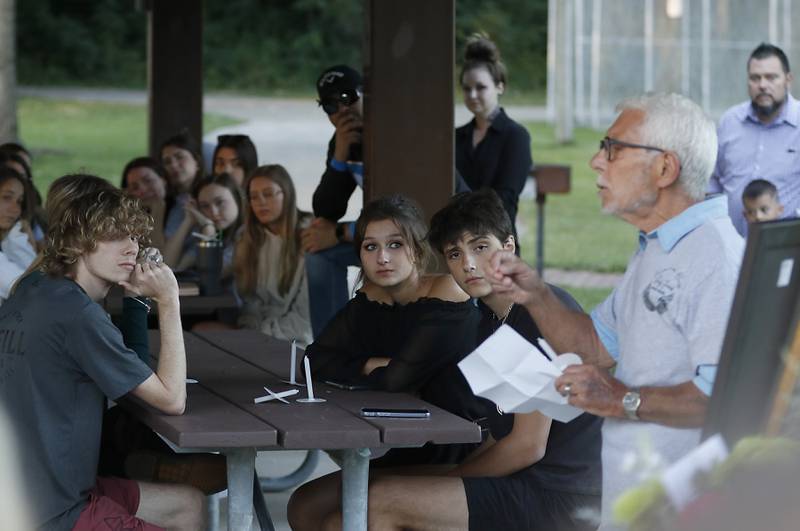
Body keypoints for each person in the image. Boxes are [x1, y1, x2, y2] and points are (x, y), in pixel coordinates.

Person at [487, 93, 744, 529]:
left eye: (614, 148)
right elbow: (594, 346)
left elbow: (724, 397)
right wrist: (536, 294)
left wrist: (618, 398)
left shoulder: (713, 255)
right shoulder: (656, 248)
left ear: (665, 168)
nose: (596, 161)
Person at [303, 189, 604, 531]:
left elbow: (527, 447)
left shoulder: (538, 313)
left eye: (479, 247)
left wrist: (454, 480)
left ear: (508, 247)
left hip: (554, 495)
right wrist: (450, 482)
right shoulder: (490, 320)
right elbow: (499, 432)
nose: (468, 265)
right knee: (312, 506)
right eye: (455, 254)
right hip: (513, 477)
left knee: (377, 506)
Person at [0, 174, 204, 530]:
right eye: (115, 236)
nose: (131, 248)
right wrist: (168, 300)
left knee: (188, 504)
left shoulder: (34, 288)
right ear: (77, 243)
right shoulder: (78, 315)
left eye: (134, 237)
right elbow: (172, 400)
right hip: (52, 513)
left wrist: (135, 299)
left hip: (30, 495)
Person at [288, 195, 483, 530]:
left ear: (418, 249)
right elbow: (312, 363)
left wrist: (376, 368)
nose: (383, 258)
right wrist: (371, 364)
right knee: (303, 507)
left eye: (395, 244)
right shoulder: (373, 298)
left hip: (459, 449)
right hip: (411, 447)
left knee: (339, 523)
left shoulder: (446, 293)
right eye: (370, 247)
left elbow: (396, 381)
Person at [711, 42, 800, 235]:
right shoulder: (730, 122)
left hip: (784, 250)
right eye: (755, 78)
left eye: (771, 77)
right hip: (731, 247)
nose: (762, 85)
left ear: (788, 80)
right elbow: (713, 182)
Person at [455, 34, 532, 244]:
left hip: (498, 244)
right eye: (466, 88)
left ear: (500, 86)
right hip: (457, 244)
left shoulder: (516, 136)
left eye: (480, 87)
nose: (472, 95)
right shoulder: (455, 137)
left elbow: (505, 200)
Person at [235, 164, 313, 346]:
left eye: (268, 194)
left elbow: (306, 320)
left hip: (297, 341)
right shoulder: (248, 239)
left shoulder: (309, 238)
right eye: (254, 197)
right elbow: (249, 303)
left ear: (286, 193)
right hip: (258, 334)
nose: (260, 202)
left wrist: (258, 335)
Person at [164, 172, 243, 277]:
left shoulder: (246, 233)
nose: (214, 212)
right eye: (205, 206)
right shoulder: (207, 232)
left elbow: (212, 277)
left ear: (237, 200)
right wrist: (188, 221)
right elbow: (168, 266)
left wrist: (208, 228)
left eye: (220, 202)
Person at [0, 167, 36, 304]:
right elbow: (32, 290)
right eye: (7, 197)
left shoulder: (10, 239)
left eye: (19, 201)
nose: (15, 209)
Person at [160, 131, 204, 241]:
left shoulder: (209, 198)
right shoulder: (171, 203)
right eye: (167, 161)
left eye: (179, 157)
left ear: (197, 161)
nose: (173, 165)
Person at [121, 156, 170, 250]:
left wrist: (159, 209)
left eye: (148, 181)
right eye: (134, 187)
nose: (143, 190)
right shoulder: (127, 218)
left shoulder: (179, 211)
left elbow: (159, 252)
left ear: (163, 180)